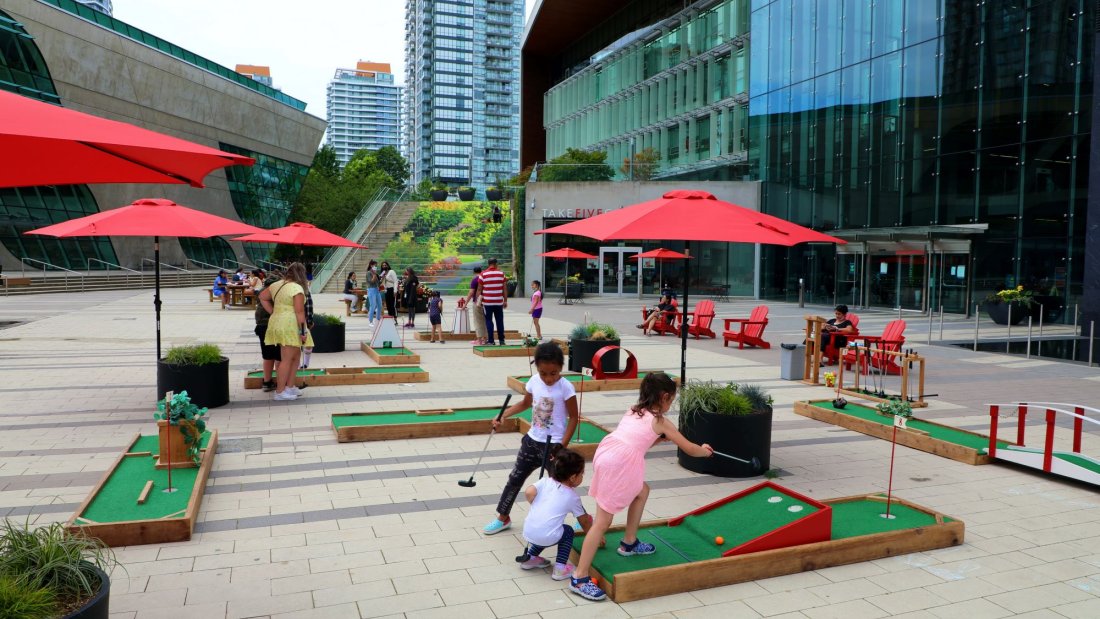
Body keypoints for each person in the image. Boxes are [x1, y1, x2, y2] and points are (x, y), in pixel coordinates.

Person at [569, 372, 713, 601]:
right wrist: (705, 451)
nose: (671, 404)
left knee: (642, 490)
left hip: (607, 452)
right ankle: (579, 576)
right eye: (671, 400)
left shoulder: (634, 409)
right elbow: (690, 449)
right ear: (664, 396)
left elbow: (637, 437)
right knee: (603, 521)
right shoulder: (661, 421)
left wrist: (658, 439)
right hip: (620, 463)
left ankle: (629, 542)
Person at [483, 342, 579, 535]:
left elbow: (574, 418)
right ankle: (503, 517)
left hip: (554, 445)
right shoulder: (534, 381)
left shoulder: (566, 387)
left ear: (561, 368)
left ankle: (579, 518)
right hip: (532, 441)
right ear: (537, 368)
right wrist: (503, 415)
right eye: (544, 373)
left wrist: (562, 445)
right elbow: (525, 403)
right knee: (515, 479)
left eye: (553, 373)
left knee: (562, 484)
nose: (548, 378)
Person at [518, 446, 593, 581]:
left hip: (529, 532)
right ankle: (560, 569)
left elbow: (529, 492)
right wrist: (595, 537)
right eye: (582, 474)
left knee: (548, 527)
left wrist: (536, 504)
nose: (582, 476)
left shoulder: (545, 481)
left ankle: (530, 558)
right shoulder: (572, 496)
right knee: (568, 531)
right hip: (547, 536)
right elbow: (584, 521)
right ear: (572, 477)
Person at [260, 262, 313, 401]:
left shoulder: (277, 284)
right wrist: (303, 332)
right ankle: (280, 391)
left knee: (295, 356)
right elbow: (300, 312)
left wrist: (274, 312)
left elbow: (262, 297)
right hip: (290, 324)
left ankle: (289, 387)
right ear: (301, 274)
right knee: (288, 358)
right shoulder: (297, 288)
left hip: (278, 322)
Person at [253, 270, 282, 392]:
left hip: (261, 326)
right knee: (280, 356)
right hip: (275, 325)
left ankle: (267, 381)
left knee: (267, 355)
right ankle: (282, 383)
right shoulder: (277, 292)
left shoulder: (262, 291)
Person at [478, 257, 508, 345]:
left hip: (487, 302)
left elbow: (479, 289)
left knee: (488, 320)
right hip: (498, 302)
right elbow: (504, 288)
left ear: (488, 264)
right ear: (496, 263)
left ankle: (491, 341)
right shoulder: (501, 273)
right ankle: (502, 340)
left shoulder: (483, 274)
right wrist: (505, 300)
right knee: (499, 320)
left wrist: (478, 301)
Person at [466, 265, 488, 345]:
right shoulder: (484, 278)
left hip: (477, 302)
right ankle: (485, 339)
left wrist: (465, 304)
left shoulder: (475, 279)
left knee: (478, 321)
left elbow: (471, 292)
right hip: (487, 302)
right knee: (485, 321)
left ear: (474, 272)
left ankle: (479, 340)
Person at [365, 260, 382, 324]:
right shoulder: (368, 273)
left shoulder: (376, 274)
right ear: (371, 265)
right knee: (373, 305)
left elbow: (379, 283)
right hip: (371, 290)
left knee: (379, 305)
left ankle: (377, 319)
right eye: (374, 265)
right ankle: (371, 321)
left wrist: (383, 277)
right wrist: (374, 274)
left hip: (377, 290)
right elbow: (371, 281)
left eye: (376, 265)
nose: (375, 267)